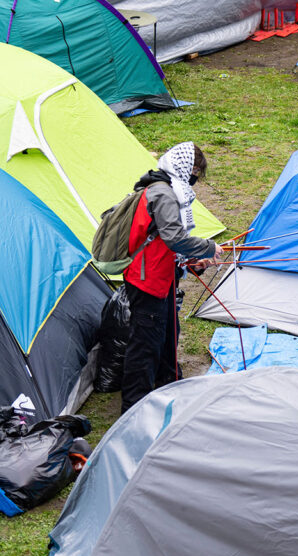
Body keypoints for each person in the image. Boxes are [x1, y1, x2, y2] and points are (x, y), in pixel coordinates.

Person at [120, 142, 223, 414]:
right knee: (145, 344)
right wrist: (208, 247)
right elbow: (175, 238)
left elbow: (167, 246)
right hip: (147, 280)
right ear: (184, 167)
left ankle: (168, 385)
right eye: (195, 173)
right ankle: (134, 408)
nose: (195, 180)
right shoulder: (163, 194)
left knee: (168, 334)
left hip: (162, 277)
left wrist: (194, 264)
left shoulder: (170, 189)